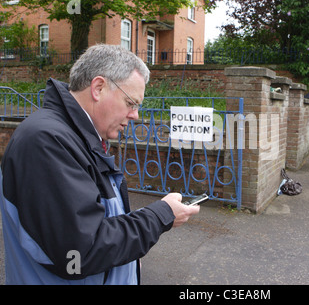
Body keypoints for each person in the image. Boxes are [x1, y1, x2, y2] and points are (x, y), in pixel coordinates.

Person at [0, 44, 200, 285]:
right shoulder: (46, 141)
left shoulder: (79, 136)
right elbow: (80, 251)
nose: (135, 115)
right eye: (130, 103)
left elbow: (92, 220)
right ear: (98, 88)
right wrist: (160, 216)